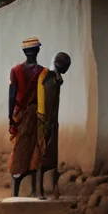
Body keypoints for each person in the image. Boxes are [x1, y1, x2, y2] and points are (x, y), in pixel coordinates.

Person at [7, 37, 48, 197]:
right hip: (36, 115)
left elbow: (12, 95)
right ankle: (34, 190)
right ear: (38, 51)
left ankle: (16, 191)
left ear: (24, 52)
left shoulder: (16, 71)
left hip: (20, 114)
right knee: (35, 148)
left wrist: (11, 117)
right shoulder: (43, 72)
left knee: (19, 148)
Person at [37, 52, 72, 200]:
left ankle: (51, 188)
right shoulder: (50, 79)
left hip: (51, 121)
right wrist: (48, 123)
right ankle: (39, 190)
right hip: (46, 122)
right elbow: (48, 103)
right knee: (43, 154)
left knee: (50, 155)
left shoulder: (54, 79)